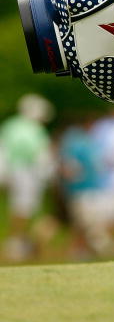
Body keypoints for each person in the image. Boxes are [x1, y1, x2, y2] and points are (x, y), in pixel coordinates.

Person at [0, 94, 55, 262]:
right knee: (23, 208)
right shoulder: (34, 129)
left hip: (17, 172)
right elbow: (42, 157)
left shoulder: (11, 125)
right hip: (27, 173)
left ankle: (20, 243)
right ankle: (16, 244)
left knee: (23, 208)